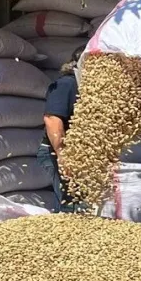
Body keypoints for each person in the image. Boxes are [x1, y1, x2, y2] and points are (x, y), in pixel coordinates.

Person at [36, 46, 86, 213]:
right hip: (58, 151)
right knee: (72, 203)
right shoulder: (67, 84)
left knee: (86, 204)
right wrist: (63, 155)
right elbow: (52, 120)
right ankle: (67, 236)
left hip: (81, 156)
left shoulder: (92, 90)